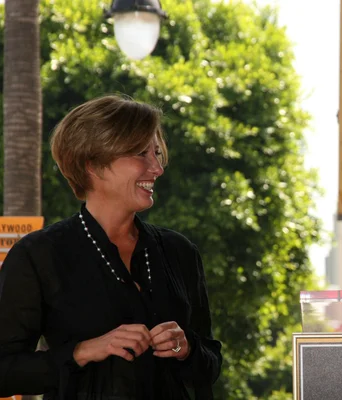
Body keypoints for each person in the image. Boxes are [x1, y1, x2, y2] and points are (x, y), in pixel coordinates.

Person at [0, 95, 222, 399]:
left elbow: (210, 365)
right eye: (140, 154)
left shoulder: (179, 252)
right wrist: (82, 351)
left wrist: (187, 349)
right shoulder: (38, 255)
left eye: (157, 153)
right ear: (93, 165)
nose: (156, 168)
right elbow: (6, 371)